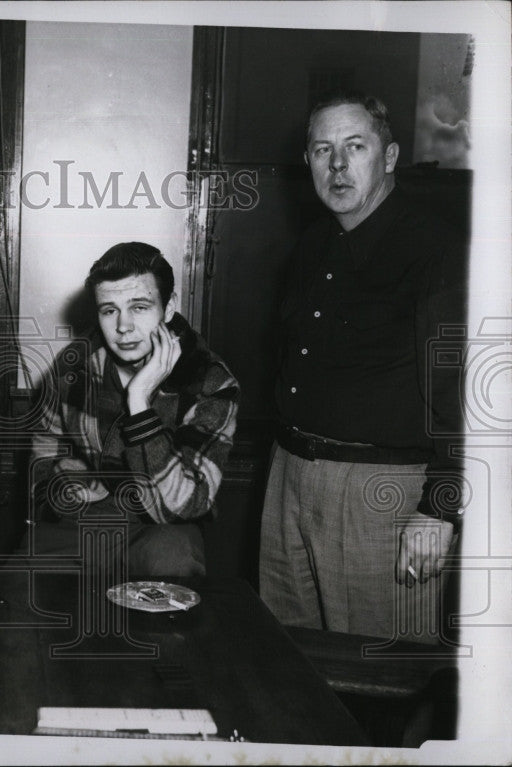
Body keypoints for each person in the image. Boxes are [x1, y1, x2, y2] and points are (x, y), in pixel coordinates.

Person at [259, 91, 466, 642]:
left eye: (356, 146)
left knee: (378, 677)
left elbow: (471, 395)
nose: (338, 165)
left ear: (391, 156)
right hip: (290, 476)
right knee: (288, 665)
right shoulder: (310, 248)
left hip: (383, 495)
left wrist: (439, 509)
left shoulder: (437, 253)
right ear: (308, 162)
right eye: (323, 149)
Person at [29, 242, 240, 577]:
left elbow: (186, 504)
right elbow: (44, 449)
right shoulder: (75, 367)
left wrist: (139, 401)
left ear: (168, 308)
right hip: (81, 520)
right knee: (19, 596)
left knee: (171, 563)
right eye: (109, 310)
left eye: (139, 307)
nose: (123, 327)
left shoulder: (209, 381)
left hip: (161, 527)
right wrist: (61, 492)